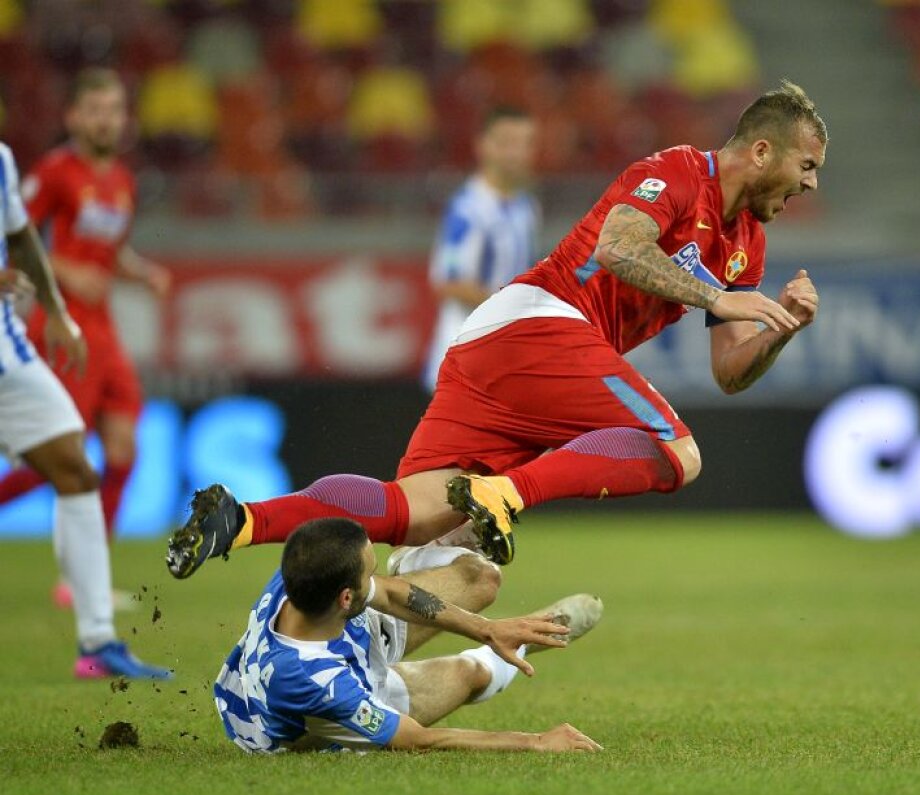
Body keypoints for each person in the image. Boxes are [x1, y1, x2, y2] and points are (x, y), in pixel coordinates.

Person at [167, 80, 824, 579]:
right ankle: (508, 491)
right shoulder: (679, 171)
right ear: (763, 151)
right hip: (541, 322)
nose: (811, 184)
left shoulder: (747, 244)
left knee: (417, 511)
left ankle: (245, 518)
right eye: (807, 165)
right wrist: (719, 297)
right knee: (678, 451)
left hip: (499, 346)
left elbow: (729, 371)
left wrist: (782, 326)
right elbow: (620, 249)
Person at [0, 140, 171, 679]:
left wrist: (53, 310)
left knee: (78, 465)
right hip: (55, 334)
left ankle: (95, 640)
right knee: (61, 462)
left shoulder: (7, 158)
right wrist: (65, 287)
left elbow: (21, 236)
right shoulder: (53, 171)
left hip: (20, 347)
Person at [216, 516, 602, 753]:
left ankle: (510, 634)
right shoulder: (316, 683)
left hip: (341, 633)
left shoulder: (304, 574)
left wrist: (487, 629)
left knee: (481, 580)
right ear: (346, 596)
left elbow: (389, 592)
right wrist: (535, 742)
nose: (378, 579)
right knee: (470, 676)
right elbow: (416, 739)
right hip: (324, 710)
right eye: (371, 571)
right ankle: (528, 639)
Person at [0, 68, 170, 560]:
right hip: (61, 325)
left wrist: (143, 274)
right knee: (55, 457)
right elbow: (16, 241)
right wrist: (67, 272)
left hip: (104, 330)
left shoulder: (122, 181)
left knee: (122, 451)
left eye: (114, 111)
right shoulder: (53, 173)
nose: (105, 121)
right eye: (95, 111)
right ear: (73, 117)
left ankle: (87, 571)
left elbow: (112, 253)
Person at [423, 107, 540, 392]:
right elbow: (448, 282)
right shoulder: (468, 210)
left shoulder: (526, 207)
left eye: (523, 143)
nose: (515, 153)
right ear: (483, 146)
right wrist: (513, 310)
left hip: (502, 355)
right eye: (506, 142)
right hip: (463, 354)